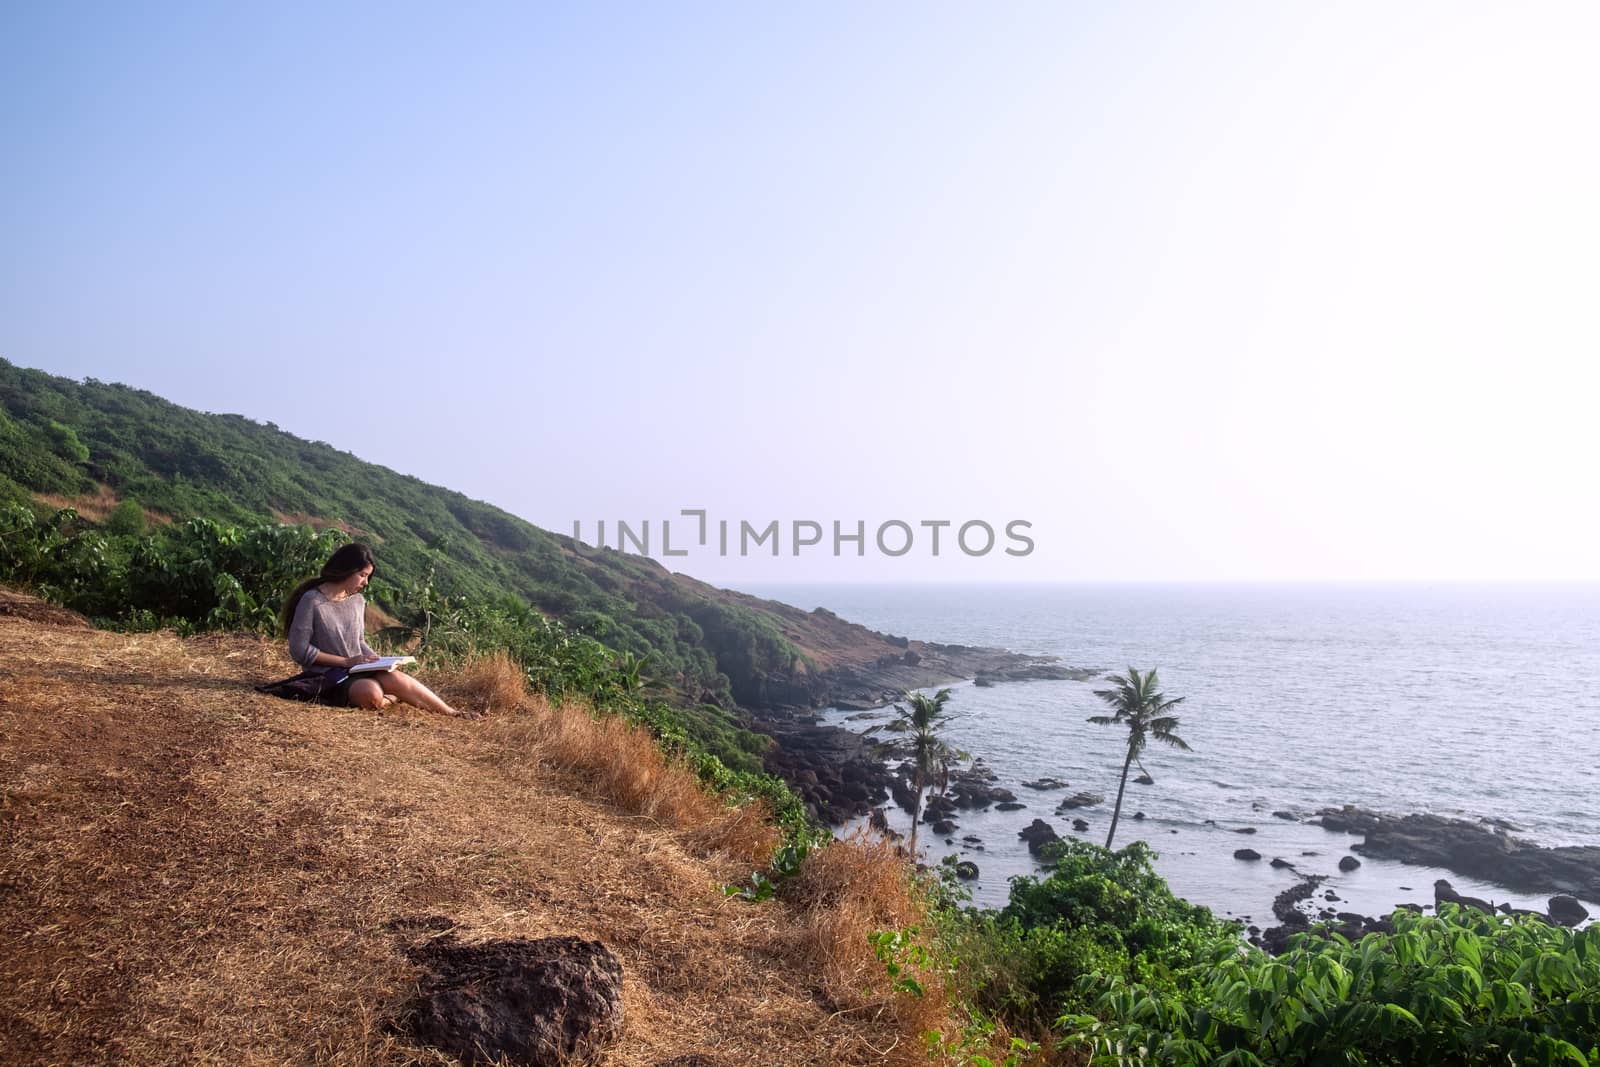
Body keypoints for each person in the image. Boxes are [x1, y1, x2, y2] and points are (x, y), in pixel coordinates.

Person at [279, 543, 477, 719]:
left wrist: (379, 661)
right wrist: (346, 662)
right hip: (328, 676)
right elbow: (299, 649)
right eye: (362, 575)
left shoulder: (357, 601)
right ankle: (392, 697)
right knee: (371, 695)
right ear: (346, 570)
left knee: (396, 677)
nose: (365, 583)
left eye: (368, 576)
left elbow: (359, 642)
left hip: (356, 669)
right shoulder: (312, 600)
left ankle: (452, 713)